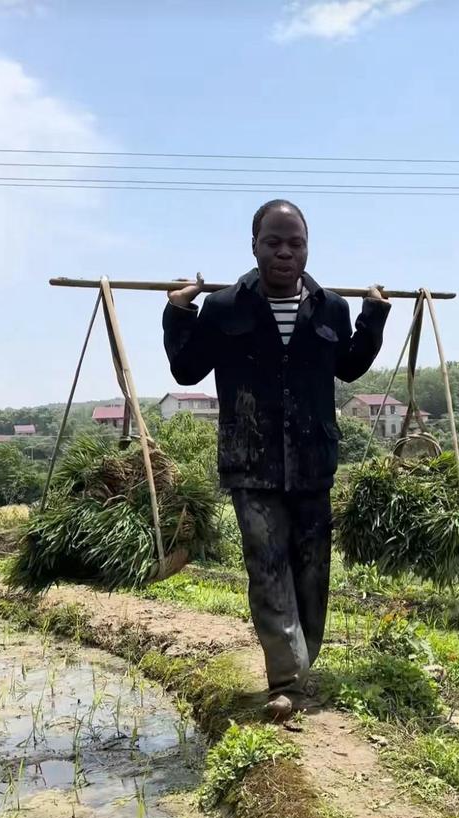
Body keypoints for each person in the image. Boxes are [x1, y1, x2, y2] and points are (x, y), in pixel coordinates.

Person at [163, 199, 390, 719]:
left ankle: (302, 664)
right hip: (251, 462)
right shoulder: (224, 308)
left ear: (307, 248)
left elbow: (352, 368)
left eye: (295, 243)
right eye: (274, 241)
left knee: (312, 570)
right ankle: (286, 679)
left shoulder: (330, 307)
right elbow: (186, 371)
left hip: (313, 460)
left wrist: (373, 314)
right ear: (255, 245)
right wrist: (179, 311)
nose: (285, 252)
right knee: (267, 567)